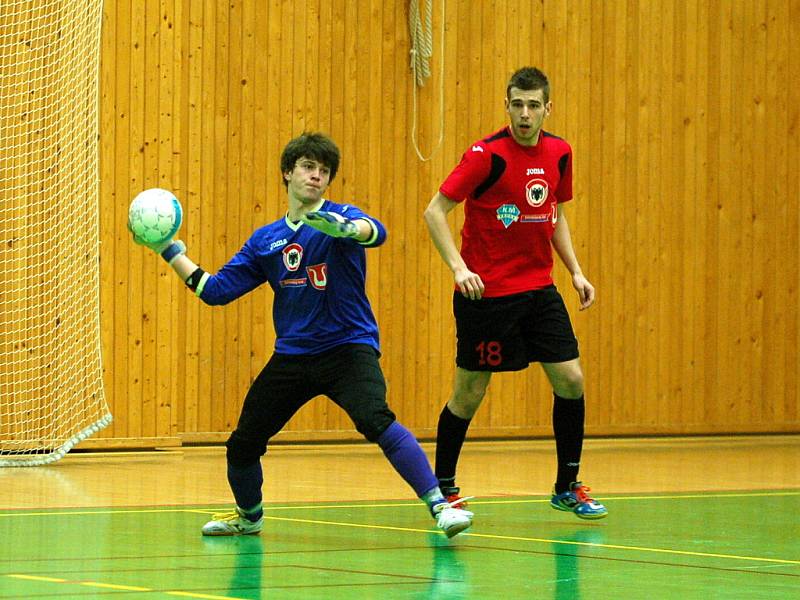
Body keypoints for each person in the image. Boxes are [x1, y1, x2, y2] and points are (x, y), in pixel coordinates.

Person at [130, 132, 474, 537]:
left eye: (324, 171)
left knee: (376, 420)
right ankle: (249, 516)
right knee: (242, 444)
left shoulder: (339, 218)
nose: (316, 177)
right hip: (293, 356)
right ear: (287, 173)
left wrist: (348, 229)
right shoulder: (266, 240)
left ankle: (440, 506)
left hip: (348, 348)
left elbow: (374, 232)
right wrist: (170, 250)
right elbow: (216, 291)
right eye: (309, 167)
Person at [423, 67, 607, 519]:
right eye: (517, 104)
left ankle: (567, 484)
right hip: (486, 296)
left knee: (571, 379)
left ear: (548, 108)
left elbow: (554, 214)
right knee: (469, 393)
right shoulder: (487, 155)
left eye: (534, 105)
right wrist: (459, 267)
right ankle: (443, 487)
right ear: (506, 106)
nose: (525, 114)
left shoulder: (560, 153)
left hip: (539, 289)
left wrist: (576, 272)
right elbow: (435, 211)